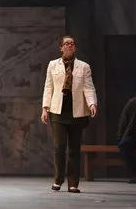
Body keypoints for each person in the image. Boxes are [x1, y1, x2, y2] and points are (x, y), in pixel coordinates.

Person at [41, 36, 98, 193]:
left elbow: (88, 87)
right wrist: (45, 108)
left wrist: (92, 103)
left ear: (75, 47)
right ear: (61, 47)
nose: (69, 45)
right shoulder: (53, 65)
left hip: (77, 112)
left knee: (74, 148)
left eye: (72, 44)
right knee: (59, 147)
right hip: (57, 111)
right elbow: (48, 87)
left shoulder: (84, 66)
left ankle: (73, 183)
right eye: (66, 43)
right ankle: (58, 180)